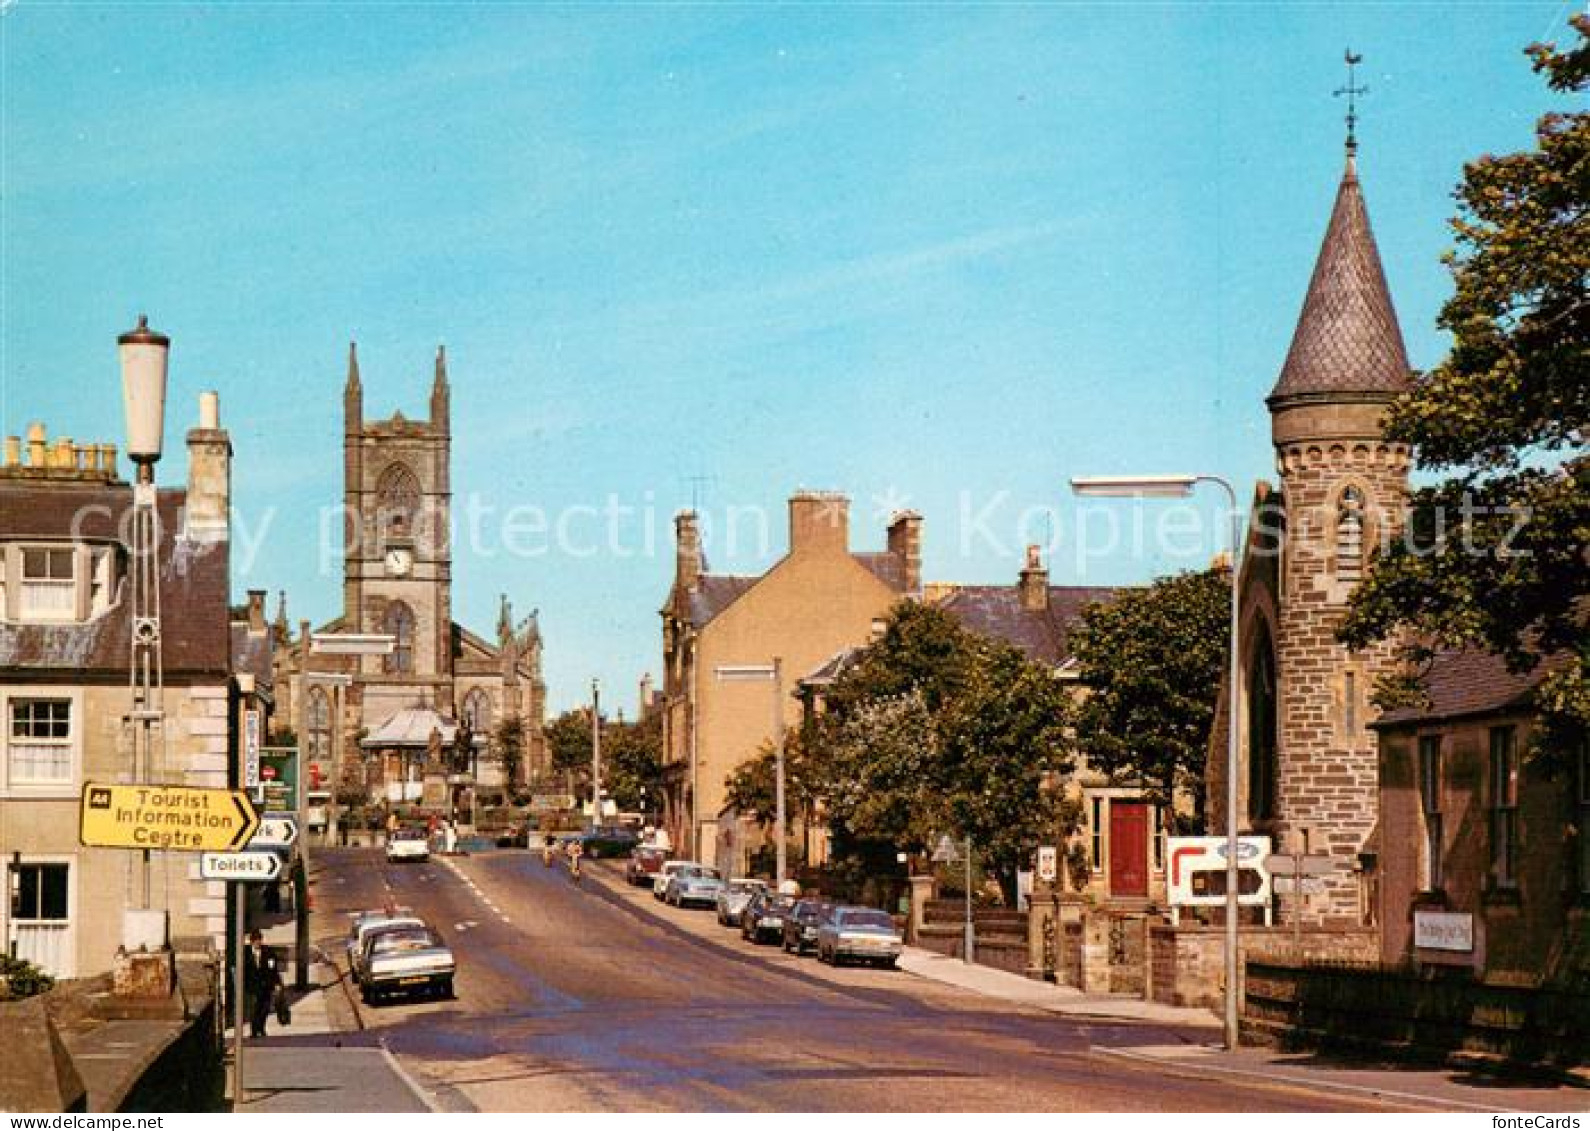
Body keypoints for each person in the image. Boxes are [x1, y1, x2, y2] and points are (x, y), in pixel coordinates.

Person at [242, 930, 282, 1039]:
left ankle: (261, 1028)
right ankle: (254, 1031)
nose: (258, 943)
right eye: (255, 941)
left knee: (265, 1008)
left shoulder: (268, 952)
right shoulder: (244, 953)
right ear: (251, 942)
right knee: (254, 1008)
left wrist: (277, 983)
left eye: (259, 940)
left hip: (266, 985)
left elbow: (273, 969)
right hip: (252, 986)